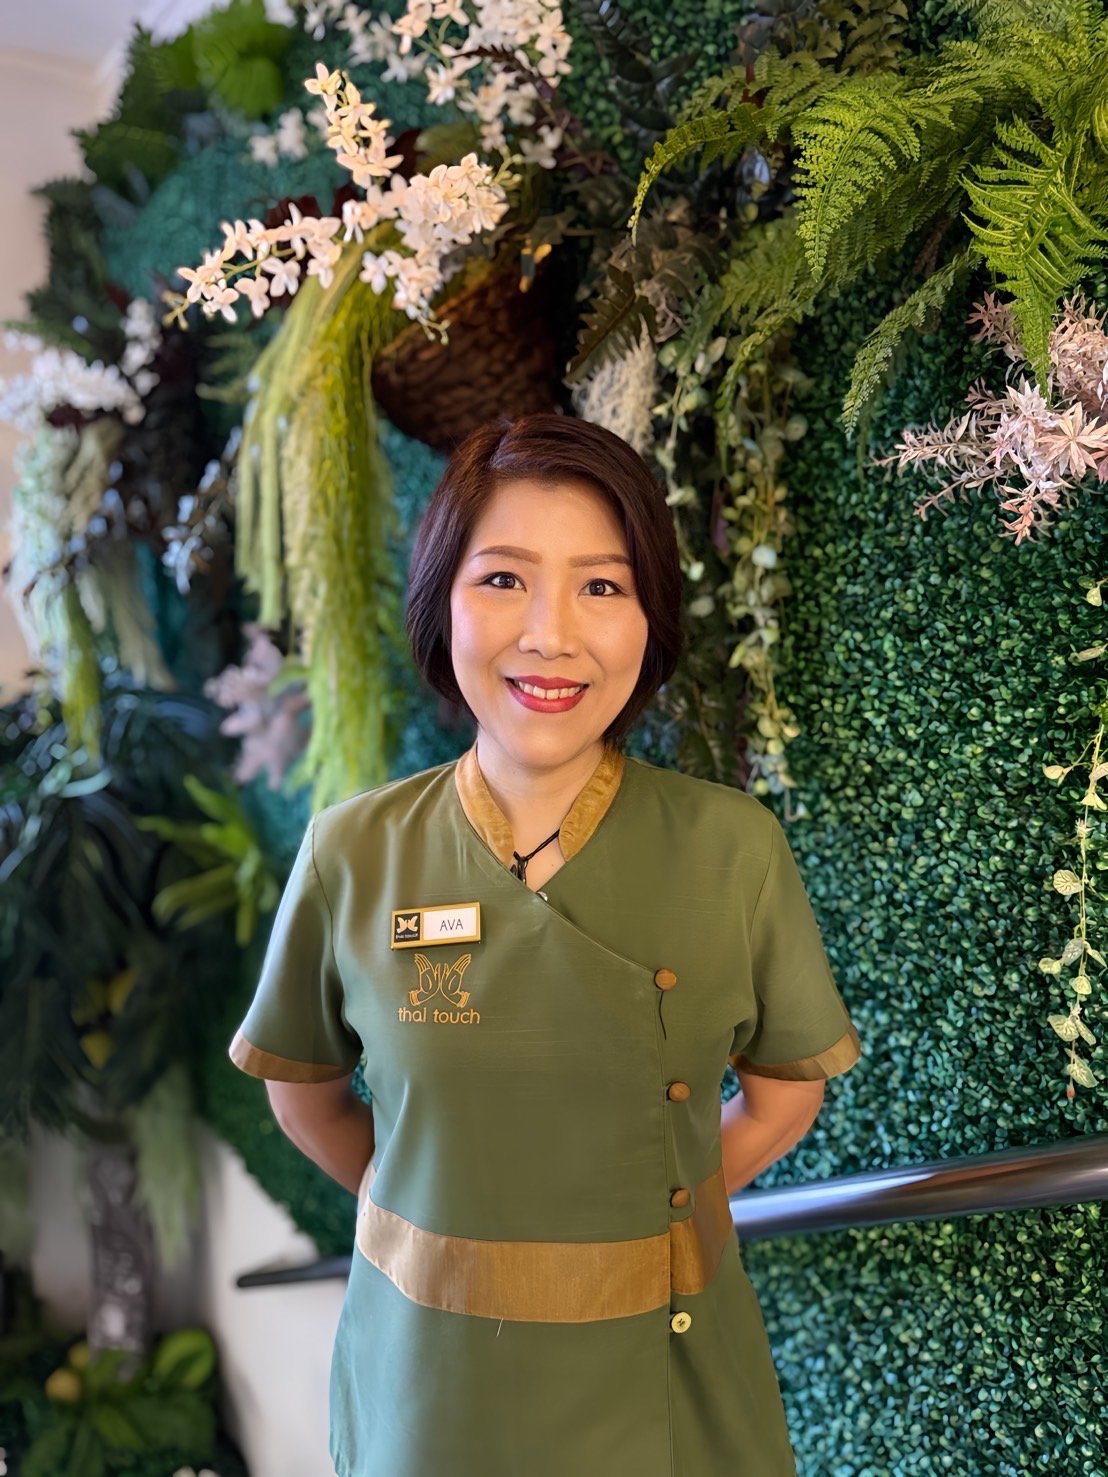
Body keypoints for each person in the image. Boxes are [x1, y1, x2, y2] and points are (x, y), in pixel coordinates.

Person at [228, 411, 863, 1476]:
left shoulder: (731, 847)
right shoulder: (355, 852)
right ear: (443, 600)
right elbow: (302, 1093)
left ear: (650, 616)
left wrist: (667, 1216)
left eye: (602, 586)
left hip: (671, 1374)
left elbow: (786, 1092)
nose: (551, 635)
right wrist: (430, 1210)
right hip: (431, 1388)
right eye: (505, 579)